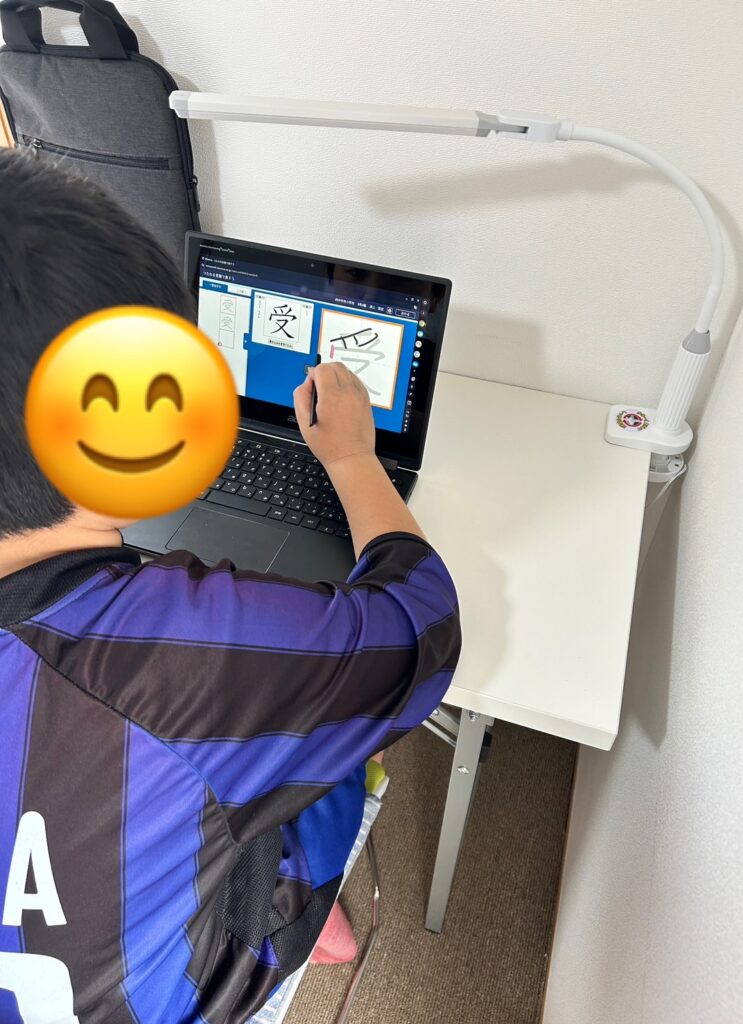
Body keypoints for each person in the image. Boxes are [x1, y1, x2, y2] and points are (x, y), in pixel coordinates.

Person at [0, 149, 461, 1023]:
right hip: (184, 994)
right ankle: (303, 919)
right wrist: (353, 459)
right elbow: (421, 626)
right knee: (332, 731)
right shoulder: (166, 657)